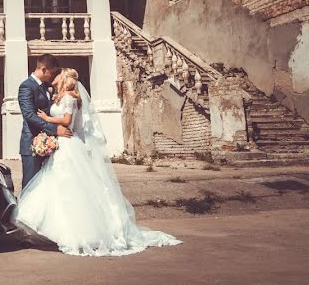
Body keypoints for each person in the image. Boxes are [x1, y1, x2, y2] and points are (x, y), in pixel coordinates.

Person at [13, 68, 183, 256]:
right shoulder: (59, 95)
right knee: (56, 185)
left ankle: (76, 232)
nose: (55, 77)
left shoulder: (69, 98)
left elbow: (67, 122)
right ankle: (47, 229)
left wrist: (47, 119)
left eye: (59, 74)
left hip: (68, 145)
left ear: (64, 78)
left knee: (70, 187)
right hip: (60, 145)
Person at [17, 54, 72, 191]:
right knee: (30, 186)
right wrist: (55, 129)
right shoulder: (26, 87)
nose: (51, 76)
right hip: (32, 143)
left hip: (49, 143)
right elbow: (29, 115)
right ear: (43, 69)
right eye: (51, 72)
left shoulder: (46, 86)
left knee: (46, 187)